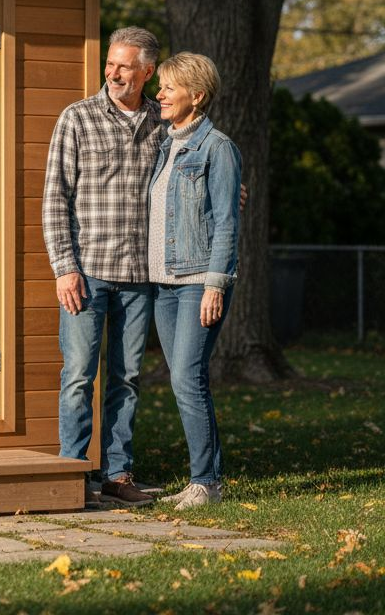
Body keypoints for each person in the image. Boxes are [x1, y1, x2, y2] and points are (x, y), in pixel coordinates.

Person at [42, 27, 165, 506]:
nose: (113, 73)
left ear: (147, 72)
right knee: (78, 376)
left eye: (124, 66)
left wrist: (227, 189)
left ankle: (117, 475)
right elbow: (56, 198)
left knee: (127, 379)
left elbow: (192, 169)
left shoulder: (163, 121)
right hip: (87, 272)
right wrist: (64, 267)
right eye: (110, 64)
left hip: (141, 274)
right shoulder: (77, 117)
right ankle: (74, 477)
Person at [147, 51, 241, 510]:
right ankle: (202, 480)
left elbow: (226, 222)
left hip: (198, 279)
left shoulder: (217, 148)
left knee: (187, 377)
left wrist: (215, 285)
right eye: (161, 86)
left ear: (197, 96)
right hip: (163, 283)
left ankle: (206, 482)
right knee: (183, 378)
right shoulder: (165, 145)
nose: (159, 94)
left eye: (168, 87)